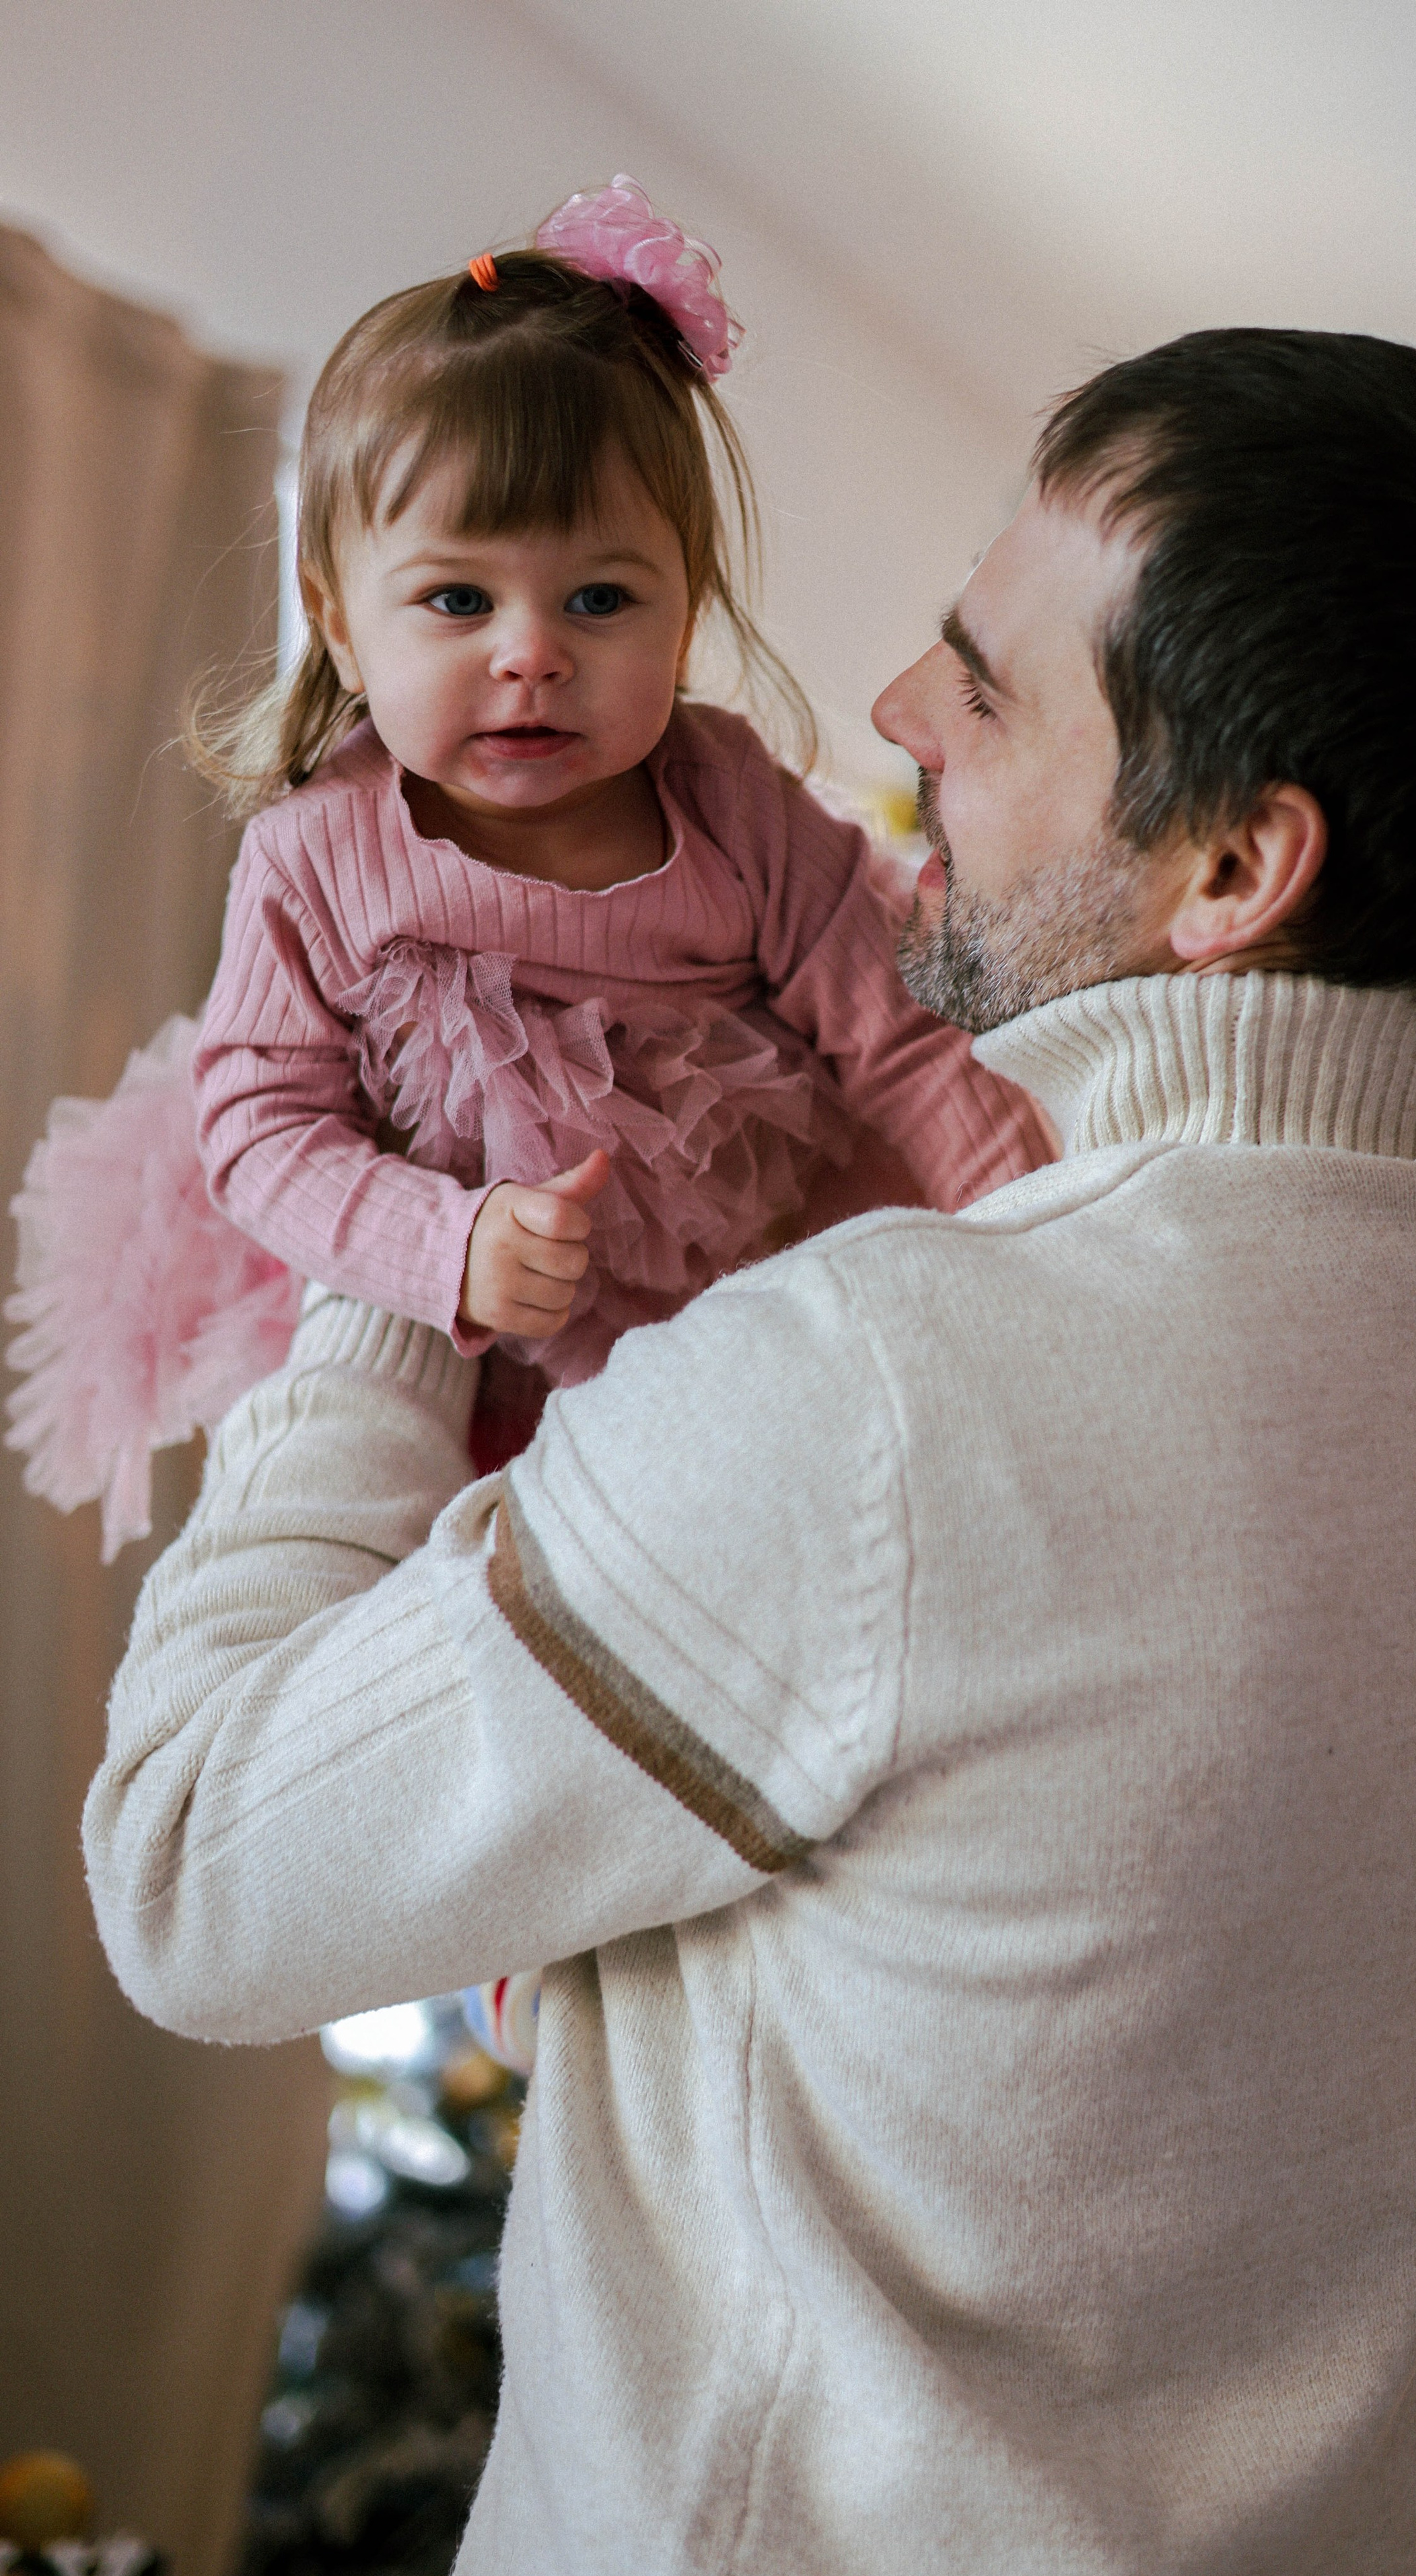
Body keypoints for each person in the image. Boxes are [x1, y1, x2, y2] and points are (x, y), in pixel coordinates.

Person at [87, 327, 1416, 2576]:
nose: (895, 715)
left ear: (1234, 867)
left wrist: (404, 1229)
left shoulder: (897, 1394)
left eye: (989, 694)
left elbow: (189, 1875)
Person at [4, 176, 1046, 1560]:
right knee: (428, 1580)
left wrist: (1035, 1244)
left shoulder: (733, 805)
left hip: (725, 1311)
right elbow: (260, 1127)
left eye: (599, 600)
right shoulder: (318, 855)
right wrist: (442, 1246)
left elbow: (905, 1046)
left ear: (685, 611)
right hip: (454, 1341)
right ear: (337, 617)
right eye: (458, 600)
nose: (531, 654)